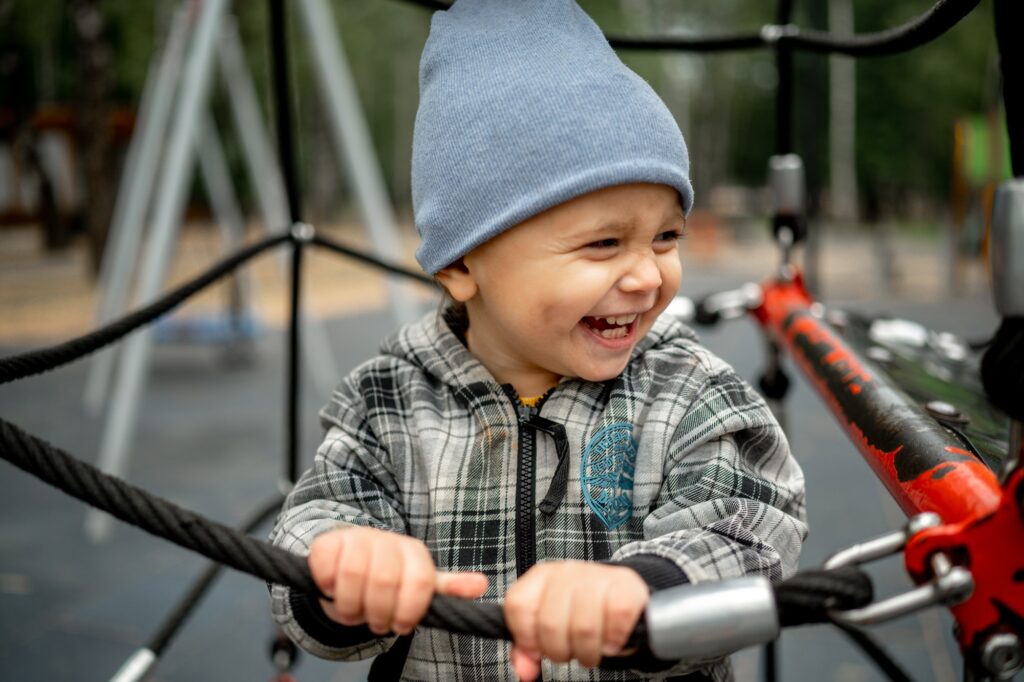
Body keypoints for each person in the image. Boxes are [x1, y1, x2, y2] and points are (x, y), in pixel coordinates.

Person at [269, 1, 807, 680]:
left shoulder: (685, 389)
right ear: (463, 265)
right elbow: (312, 520)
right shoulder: (391, 399)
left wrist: (647, 590)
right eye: (604, 243)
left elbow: (755, 525)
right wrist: (345, 565)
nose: (647, 274)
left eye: (665, 237)